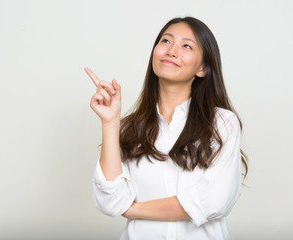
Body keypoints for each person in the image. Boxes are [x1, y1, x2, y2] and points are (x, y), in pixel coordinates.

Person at [85, 16, 248, 240]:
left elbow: (212, 202)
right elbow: (109, 201)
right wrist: (111, 122)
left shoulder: (222, 124)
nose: (172, 51)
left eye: (186, 46)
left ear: (202, 68)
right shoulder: (130, 128)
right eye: (166, 41)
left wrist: (131, 209)